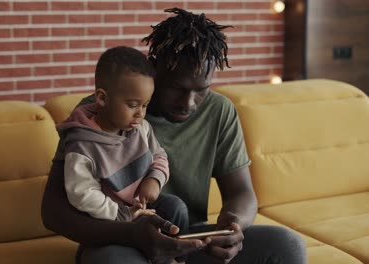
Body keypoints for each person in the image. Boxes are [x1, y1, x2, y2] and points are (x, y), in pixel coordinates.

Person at [42, 8, 307, 264]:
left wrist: (232, 226)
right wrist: (131, 232)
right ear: (153, 68)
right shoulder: (99, 113)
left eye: (201, 90)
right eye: (177, 88)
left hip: (189, 239)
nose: (188, 103)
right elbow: (53, 212)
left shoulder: (219, 111)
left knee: (286, 245)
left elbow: (242, 194)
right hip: (119, 239)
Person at [56, 46, 189, 239]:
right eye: (133, 105)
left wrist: (154, 179)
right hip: (110, 218)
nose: (140, 114)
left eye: (145, 105)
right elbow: (82, 194)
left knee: (176, 207)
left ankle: (178, 257)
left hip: (143, 206)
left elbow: (159, 155)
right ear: (102, 98)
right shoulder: (82, 145)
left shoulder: (141, 128)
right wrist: (123, 214)